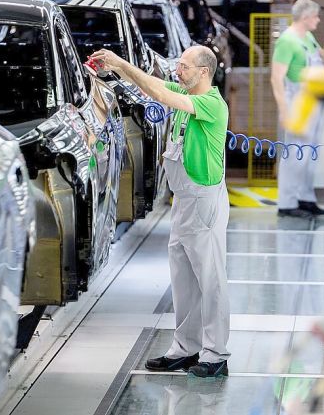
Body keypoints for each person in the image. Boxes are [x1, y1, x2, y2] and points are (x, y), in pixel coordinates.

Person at [91, 45, 231, 378]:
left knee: (210, 280)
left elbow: (161, 95)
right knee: (183, 279)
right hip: (184, 201)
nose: (177, 70)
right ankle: (185, 348)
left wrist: (121, 61)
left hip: (204, 201)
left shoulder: (210, 103)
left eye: (184, 66)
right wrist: (114, 69)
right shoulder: (185, 92)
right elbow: (149, 86)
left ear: (203, 72)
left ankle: (216, 353)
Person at [270, 0, 324, 218]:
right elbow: (277, 78)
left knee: (311, 152)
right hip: (297, 100)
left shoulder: (307, 37)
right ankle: (286, 204)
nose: (317, 20)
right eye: (315, 16)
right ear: (306, 17)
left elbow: (321, 57)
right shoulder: (287, 42)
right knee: (295, 153)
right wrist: (284, 110)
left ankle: (306, 199)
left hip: (313, 98)